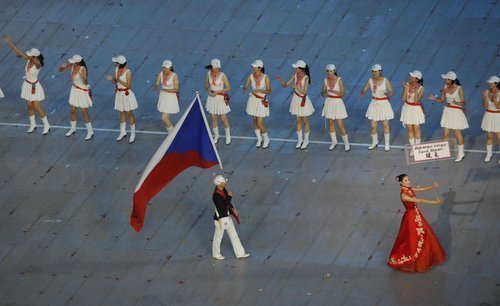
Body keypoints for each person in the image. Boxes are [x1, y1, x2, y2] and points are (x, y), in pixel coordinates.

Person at [388, 174, 445, 273]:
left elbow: (421, 189)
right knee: (416, 237)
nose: (408, 181)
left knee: (422, 235)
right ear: (401, 183)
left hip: (416, 215)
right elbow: (419, 200)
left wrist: (433, 186)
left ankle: (424, 258)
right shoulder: (404, 195)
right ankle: (416, 259)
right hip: (411, 218)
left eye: (408, 179)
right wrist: (434, 202)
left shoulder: (409, 189)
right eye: (406, 180)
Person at [3, 35, 50, 134]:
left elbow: (38, 65)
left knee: (37, 107)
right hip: (27, 85)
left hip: (35, 86)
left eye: (31, 55)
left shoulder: (38, 64)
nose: (28, 56)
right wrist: (9, 42)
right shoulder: (29, 59)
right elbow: (19, 52)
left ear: (35, 57)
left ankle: (46, 125)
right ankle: (33, 124)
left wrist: (37, 61)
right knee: (29, 106)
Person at [428, 71, 468, 162]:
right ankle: (444, 151)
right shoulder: (445, 87)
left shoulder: (459, 88)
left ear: (451, 79)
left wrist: (456, 102)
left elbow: (463, 102)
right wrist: (434, 98)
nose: (445, 80)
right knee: (446, 133)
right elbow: (442, 100)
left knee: (457, 133)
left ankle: (461, 153)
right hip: (448, 111)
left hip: (456, 111)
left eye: (446, 79)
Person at [276, 60, 315, 149]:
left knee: (305, 120)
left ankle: (306, 140)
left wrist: (295, 87)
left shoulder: (306, 78)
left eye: (296, 68)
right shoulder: (295, 76)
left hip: (302, 100)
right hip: (296, 99)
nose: (294, 69)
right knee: (298, 120)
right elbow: (286, 85)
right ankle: (300, 140)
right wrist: (282, 80)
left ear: (301, 69)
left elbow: (304, 91)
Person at [211, 175, 250, 260]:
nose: (225, 182)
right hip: (220, 220)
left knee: (234, 235)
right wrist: (229, 196)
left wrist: (233, 209)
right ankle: (216, 254)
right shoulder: (215, 196)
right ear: (219, 183)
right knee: (218, 238)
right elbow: (223, 206)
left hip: (227, 218)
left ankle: (240, 253)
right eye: (223, 182)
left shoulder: (223, 190)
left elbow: (227, 203)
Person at [58, 54, 94, 140]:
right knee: (73, 110)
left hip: (82, 91)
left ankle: (90, 131)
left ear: (78, 62)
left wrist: (83, 78)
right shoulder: (72, 67)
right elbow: (60, 71)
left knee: (84, 112)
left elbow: (85, 82)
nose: (72, 63)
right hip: (74, 90)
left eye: (73, 62)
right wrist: (62, 66)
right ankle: (73, 128)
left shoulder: (83, 69)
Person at [360, 64, 394, 151]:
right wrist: (363, 92)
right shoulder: (370, 80)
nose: (374, 73)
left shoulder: (385, 80)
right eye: (373, 72)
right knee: (373, 126)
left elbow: (391, 91)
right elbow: (364, 89)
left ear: (380, 71)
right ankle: (374, 141)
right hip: (374, 103)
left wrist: (388, 94)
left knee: (385, 124)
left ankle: (387, 144)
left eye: (376, 71)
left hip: (383, 103)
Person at [105, 55, 138, 143]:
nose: (115, 64)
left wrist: (118, 80)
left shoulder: (128, 72)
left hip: (126, 94)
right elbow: (115, 81)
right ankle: (122, 132)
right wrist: (111, 79)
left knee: (129, 113)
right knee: (122, 113)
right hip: (119, 94)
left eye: (116, 62)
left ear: (120, 64)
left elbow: (128, 85)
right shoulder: (116, 69)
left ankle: (133, 134)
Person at [321, 64, 350, 151]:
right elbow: (322, 93)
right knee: (330, 123)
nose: (329, 73)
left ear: (334, 71)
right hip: (329, 102)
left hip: (337, 102)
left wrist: (333, 91)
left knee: (340, 124)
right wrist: (324, 92)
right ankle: (334, 141)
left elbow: (343, 93)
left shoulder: (339, 80)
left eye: (330, 71)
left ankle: (346, 143)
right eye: (327, 71)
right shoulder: (325, 80)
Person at [243, 59, 271, 149]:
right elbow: (246, 85)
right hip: (253, 99)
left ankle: (266, 138)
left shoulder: (266, 78)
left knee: (259, 122)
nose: (253, 67)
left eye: (255, 66)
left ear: (259, 68)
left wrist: (259, 90)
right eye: (253, 66)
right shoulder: (251, 76)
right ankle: (259, 139)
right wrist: (244, 88)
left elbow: (269, 90)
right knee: (255, 120)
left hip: (261, 101)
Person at [205, 58, 231, 145]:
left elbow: (228, 88)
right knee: (213, 118)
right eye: (215, 67)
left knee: (223, 118)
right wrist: (209, 91)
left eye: (217, 67)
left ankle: (228, 136)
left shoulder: (222, 75)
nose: (216, 69)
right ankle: (216, 136)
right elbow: (206, 84)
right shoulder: (208, 74)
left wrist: (217, 92)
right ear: (211, 67)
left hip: (220, 98)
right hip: (212, 98)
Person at [400, 70, 425, 156]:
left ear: (417, 79)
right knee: (409, 128)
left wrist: (417, 91)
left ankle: (417, 148)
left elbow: (416, 101)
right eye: (410, 76)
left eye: (412, 77)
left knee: (416, 128)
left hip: (415, 109)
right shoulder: (407, 85)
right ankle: (413, 147)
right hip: (407, 108)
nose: (410, 78)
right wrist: (406, 89)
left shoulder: (421, 88)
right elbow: (403, 98)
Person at [154, 59, 179, 133]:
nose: (164, 69)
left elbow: (176, 89)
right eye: (163, 67)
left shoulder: (174, 76)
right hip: (163, 96)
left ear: (170, 68)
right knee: (166, 117)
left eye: (166, 68)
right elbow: (157, 83)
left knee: (164, 118)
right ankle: (170, 133)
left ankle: (172, 134)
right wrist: (156, 86)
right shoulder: (161, 74)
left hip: (170, 97)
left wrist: (167, 90)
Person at [481, 76, 500, 163]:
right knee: (489, 136)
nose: (489, 84)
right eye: (489, 83)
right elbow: (485, 106)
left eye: (491, 83)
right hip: (489, 114)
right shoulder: (486, 92)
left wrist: (495, 101)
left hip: (498, 116)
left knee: (499, 137)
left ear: (496, 83)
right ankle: (489, 154)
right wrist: (485, 97)